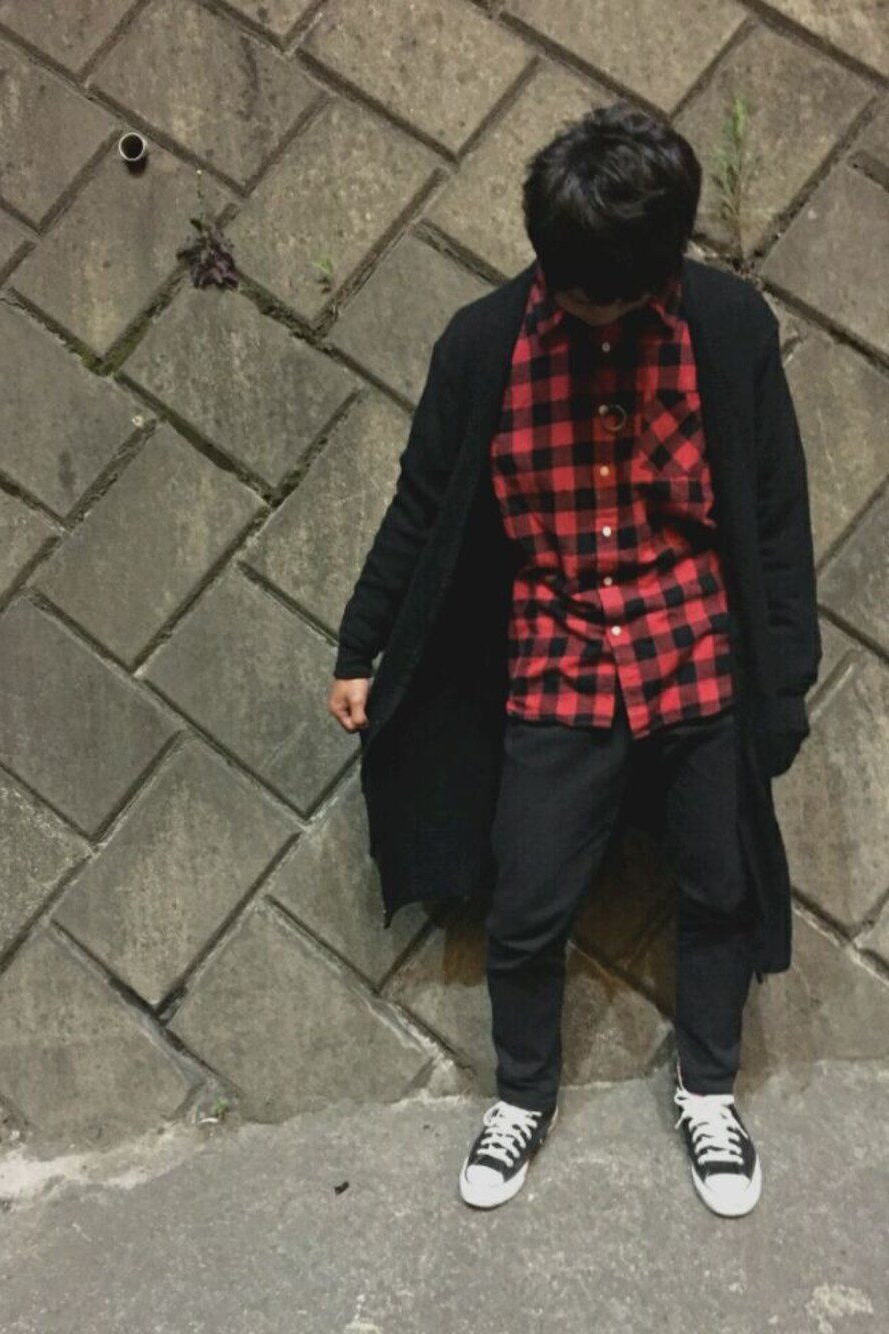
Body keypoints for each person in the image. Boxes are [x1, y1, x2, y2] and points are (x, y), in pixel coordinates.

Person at [328, 101, 820, 1219]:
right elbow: (420, 508)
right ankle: (523, 1094)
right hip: (556, 659)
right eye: (561, 281)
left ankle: (707, 1089)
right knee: (525, 900)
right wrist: (362, 643)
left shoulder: (727, 329)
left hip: (697, 652)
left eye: (601, 293)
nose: (576, 305)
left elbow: (776, 512)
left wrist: (785, 674)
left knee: (721, 886)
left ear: (659, 271)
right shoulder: (483, 345)